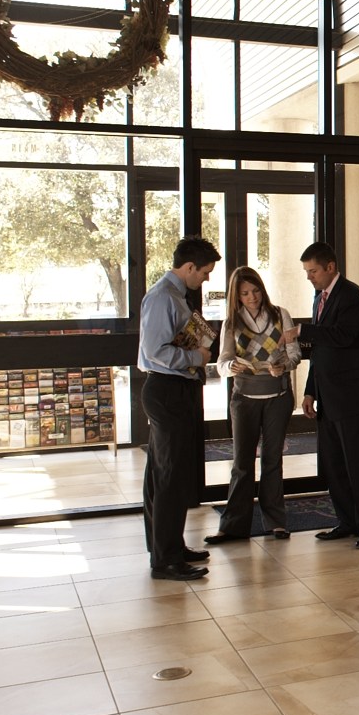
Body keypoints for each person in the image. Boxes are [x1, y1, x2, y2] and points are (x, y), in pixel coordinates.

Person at [280, 242, 359, 548]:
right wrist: (311, 390)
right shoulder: (320, 298)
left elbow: (343, 336)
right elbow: (322, 352)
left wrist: (303, 331)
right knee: (334, 464)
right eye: (306, 272)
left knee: (358, 464)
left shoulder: (352, 296)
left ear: (330, 267)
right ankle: (347, 521)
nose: (309, 277)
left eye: (313, 271)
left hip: (353, 398)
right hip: (328, 397)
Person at [138, 235, 220, 581]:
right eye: (204, 273)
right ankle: (166, 559)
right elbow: (155, 349)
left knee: (166, 473)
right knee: (169, 477)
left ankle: (168, 545)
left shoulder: (175, 295)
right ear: (188, 267)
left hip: (177, 389)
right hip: (166, 389)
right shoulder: (161, 298)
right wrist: (197, 356)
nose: (206, 279)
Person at [206, 266, 300, 544]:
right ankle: (233, 526)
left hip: (277, 399)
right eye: (245, 293)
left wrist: (283, 365)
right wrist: (230, 366)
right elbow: (220, 363)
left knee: (273, 461)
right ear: (237, 296)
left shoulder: (280, 314)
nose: (252, 297)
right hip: (244, 400)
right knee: (242, 464)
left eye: (256, 291)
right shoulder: (231, 323)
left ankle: (276, 522)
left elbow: (294, 354)